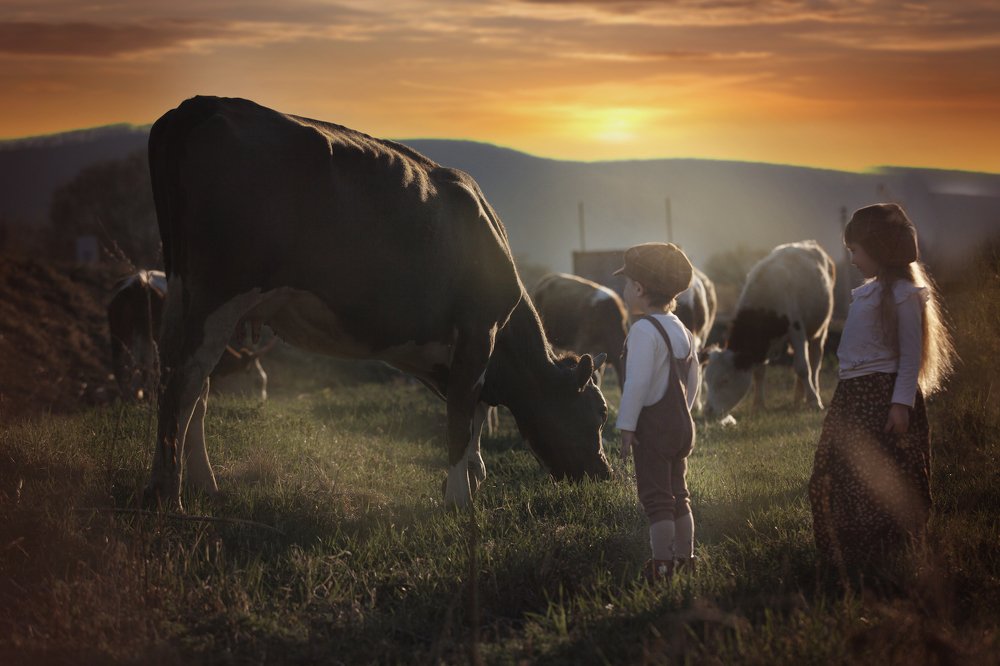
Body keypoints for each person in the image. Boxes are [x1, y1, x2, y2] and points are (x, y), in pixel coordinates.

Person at [809, 203, 956, 571]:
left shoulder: (904, 295)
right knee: (834, 471)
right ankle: (847, 546)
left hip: (883, 399)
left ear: (878, 250)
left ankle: (886, 552)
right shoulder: (870, 293)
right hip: (853, 399)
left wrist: (901, 404)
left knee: (882, 475)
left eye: (856, 251)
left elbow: (909, 356)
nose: (853, 259)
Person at [615, 242, 701, 582]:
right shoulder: (682, 329)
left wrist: (627, 427)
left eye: (626, 282)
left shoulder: (642, 331)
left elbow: (635, 385)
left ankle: (662, 567)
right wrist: (686, 413)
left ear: (639, 288)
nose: (624, 289)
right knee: (680, 495)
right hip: (682, 426)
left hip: (655, 428)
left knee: (657, 499)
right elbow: (694, 378)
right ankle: (686, 560)